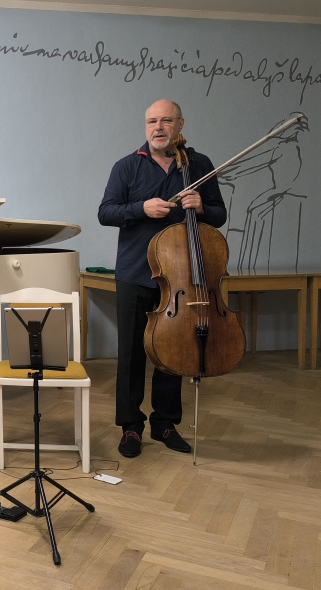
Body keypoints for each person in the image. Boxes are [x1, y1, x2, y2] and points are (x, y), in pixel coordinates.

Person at [98, 100, 227, 458]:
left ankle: (165, 423)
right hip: (135, 273)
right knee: (131, 354)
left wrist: (201, 206)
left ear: (180, 124)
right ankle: (130, 426)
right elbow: (106, 212)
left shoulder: (198, 165)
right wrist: (141, 208)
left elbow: (219, 215)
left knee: (175, 350)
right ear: (146, 127)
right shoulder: (127, 166)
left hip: (183, 276)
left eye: (166, 120)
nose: (158, 127)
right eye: (152, 121)